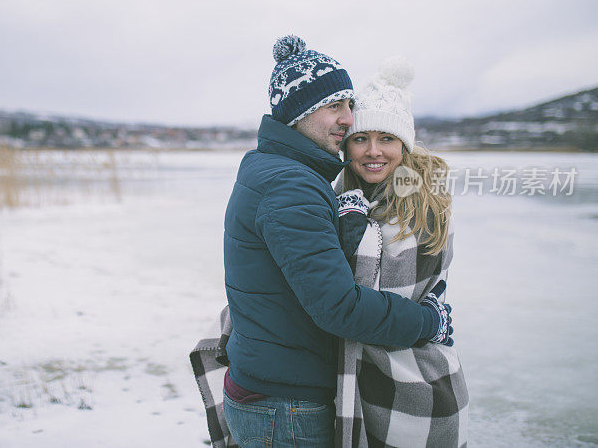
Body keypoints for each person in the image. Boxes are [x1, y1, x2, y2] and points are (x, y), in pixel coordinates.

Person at [190, 35, 454, 448]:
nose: (348, 119)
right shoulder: (292, 185)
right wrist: (428, 322)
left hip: (274, 386)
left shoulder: (276, 169)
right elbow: (339, 307)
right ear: (300, 112)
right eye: (335, 106)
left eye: (350, 105)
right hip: (285, 402)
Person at [333, 56, 469, 447]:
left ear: (404, 145)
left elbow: (365, 301)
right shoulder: (344, 198)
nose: (372, 151)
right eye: (360, 139)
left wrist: (351, 228)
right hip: (358, 389)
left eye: (387, 139)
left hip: (416, 391)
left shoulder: (425, 207)